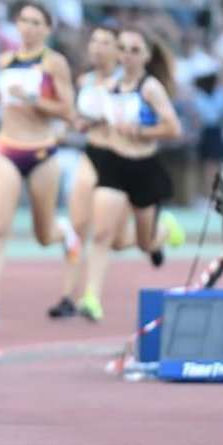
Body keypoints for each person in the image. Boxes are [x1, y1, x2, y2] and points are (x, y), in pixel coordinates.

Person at [0, 2, 79, 325]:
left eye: (36, 22)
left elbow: (68, 111)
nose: (28, 27)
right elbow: (5, 93)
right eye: (24, 20)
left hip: (41, 150)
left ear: (47, 29)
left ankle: (63, 232)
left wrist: (34, 100)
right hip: (8, 148)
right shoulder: (6, 60)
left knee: (43, 235)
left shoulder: (54, 63)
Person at [79, 28, 186, 322]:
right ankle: (91, 297)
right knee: (103, 234)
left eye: (135, 50)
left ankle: (165, 231)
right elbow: (104, 117)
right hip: (113, 164)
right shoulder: (110, 85)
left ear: (147, 56)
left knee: (143, 243)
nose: (127, 55)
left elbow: (174, 128)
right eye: (123, 49)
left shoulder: (150, 88)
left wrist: (141, 131)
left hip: (143, 168)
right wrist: (86, 124)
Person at [48, 25, 135, 319]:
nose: (97, 47)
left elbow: (124, 119)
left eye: (105, 42)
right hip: (92, 156)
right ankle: (69, 295)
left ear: (118, 50)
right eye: (94, 41)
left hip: (121, 160)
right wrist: (65, 128)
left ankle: (159, 233)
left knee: (114, 238)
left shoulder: (128, 83)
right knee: (78, 228)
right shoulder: (85, 80)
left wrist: (94, 122)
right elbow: (76, 116)